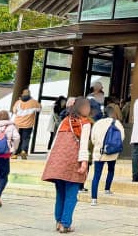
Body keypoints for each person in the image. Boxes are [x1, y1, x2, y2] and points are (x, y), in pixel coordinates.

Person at [42, 96, 92, 233]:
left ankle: (58, 222)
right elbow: (83, 145)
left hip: (57, 162)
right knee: (71, 195)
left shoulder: (65, 120)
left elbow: (54, 143)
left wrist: (49, 162)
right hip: (72, 162)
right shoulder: (85, 123)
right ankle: (65, 224)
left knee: (60, 194)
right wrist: (84, 162)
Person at [90, 104, 125, 205]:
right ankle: (107, 189)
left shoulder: (98, 123)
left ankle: (94, 199)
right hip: (112, 153)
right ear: (113, 113)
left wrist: (98, 145)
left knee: (96, 175)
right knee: (111, 170)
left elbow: (93, 139)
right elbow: (121, 137)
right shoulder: (117, 123)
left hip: (99, 153)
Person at [12, 87, 41, 160]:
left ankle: (15, 154)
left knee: (17, 138)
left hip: (17, 124)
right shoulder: (34, 102)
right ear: (30, 94)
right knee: (25, 139)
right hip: (28, 125)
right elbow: (39, 109)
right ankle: (23, 151)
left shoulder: (18, 102)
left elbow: (14, 111)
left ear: (22, 94)